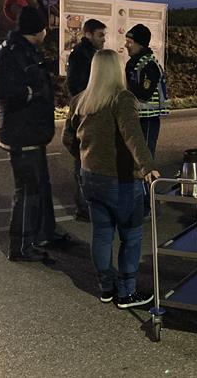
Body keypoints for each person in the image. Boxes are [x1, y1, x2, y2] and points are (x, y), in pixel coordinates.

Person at [63, 49, 160, 308]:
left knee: (102, 234)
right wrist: (147, 165)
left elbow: (68, 140)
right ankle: (127, 291)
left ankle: (106, 287)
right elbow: (133, 136)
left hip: (91, 178)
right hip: (121, 180)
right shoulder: (122, 99)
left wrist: (85, 157)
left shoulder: (80, 101)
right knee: (131, 236)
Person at [0, 6, 69, 262]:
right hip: (22, 132)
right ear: (39, 30)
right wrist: (31, 93)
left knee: (41, 186)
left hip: (33, 131)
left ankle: (46, 232)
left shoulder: (25, 51)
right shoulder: (12, 53)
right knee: (27, 190)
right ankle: (22, 245)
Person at [124, 24, 169, 216]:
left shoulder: (148, 64)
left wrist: (126, 91)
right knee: (136, 160)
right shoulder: (135, 62)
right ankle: (141, 203)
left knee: (146, 161)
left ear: (140, 44)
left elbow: (144, 92)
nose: (126, 45)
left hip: (148, 119)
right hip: (139, 117)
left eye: (130, 42)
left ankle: (149, 206)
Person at [66, 19, 107, 221]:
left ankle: (90, 203)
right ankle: (83, 207)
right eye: (100, 35)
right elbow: (75, 86)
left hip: (94, 113)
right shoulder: (79, 56)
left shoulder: (93, 54)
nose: (104, 39)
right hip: (85, 115)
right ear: (88, 34)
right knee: (82, 162)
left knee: (91, 161)